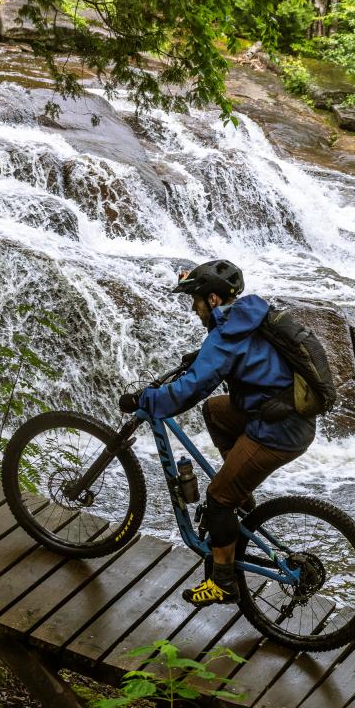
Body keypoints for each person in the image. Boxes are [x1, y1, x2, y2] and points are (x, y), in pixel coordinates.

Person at [119, 259, 316, 607]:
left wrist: (148, 399)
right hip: (276, 413)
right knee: (215, 410)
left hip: (279, 431)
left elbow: (191, 390)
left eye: (195, 300)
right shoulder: (246, 316)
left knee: (218, 498)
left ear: (212, 300)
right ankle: (240, 494)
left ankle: (223, 581)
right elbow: (240, 357)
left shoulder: (225, 336)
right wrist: (200, 356)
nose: (193, 309)